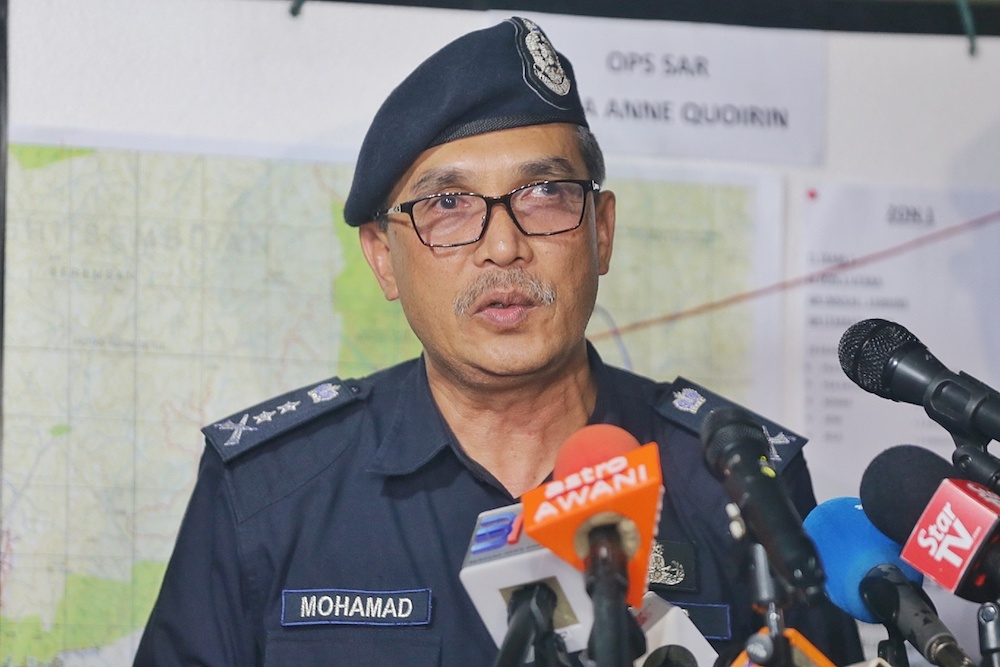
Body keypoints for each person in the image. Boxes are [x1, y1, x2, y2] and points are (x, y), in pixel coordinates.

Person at [134, 16, 862, 667]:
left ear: (600, 231)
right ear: (384, 257)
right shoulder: (268, 492)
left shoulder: (733, 476)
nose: (504, 246)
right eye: (449, 205)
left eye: (544, 195)